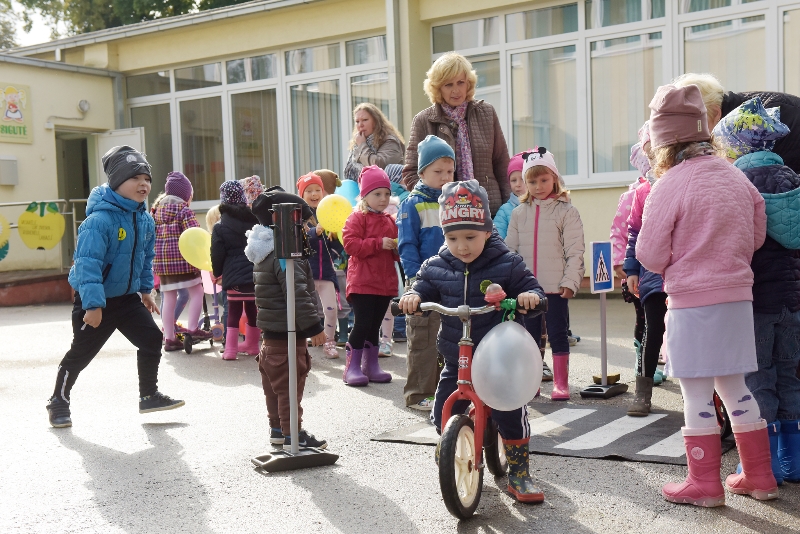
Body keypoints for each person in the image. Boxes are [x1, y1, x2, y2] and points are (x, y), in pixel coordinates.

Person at [636, 84, 776, 506]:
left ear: (663, 142)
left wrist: (679, 259)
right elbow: (757, 235)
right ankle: (760, 476)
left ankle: (704, 483)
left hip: (692, 301)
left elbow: (649, 253)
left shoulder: (670, 184)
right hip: (737, 297)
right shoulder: (736, 176)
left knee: (696, 392)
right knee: (736, 387)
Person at [398, 179, 546, 502]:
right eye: (452, 238)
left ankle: (519, 472)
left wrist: (529, 297)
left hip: (498, 360)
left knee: (510, 412)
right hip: (458, 358)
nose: (462, 246)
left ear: (488, 231)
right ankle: (452, 443)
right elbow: (422, 286)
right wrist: (413, 297)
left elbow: (530, 286)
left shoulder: (506, 263)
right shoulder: (437, 265)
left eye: (470, 237)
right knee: (443, 408)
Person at [46, 145, 184, 428]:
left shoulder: (144, 219)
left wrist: (145, 291)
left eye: (147, 179)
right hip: (96, 301)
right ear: (116, 182)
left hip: (127, 299)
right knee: (81, 354)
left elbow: (145, 258)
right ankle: (58, 400)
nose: (143, 184)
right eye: (135, 178)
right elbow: (87, 265)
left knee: (151, 339)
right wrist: (93, 305)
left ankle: (149, 396)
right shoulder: (98, 221)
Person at [713, 96, 800, 484]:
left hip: (757, 301)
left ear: (737, 147)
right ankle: (793, 461)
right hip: (792, 301)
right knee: (789, 375)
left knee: (758, 377)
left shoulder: (738, 185)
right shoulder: (793, 178)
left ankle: (764, 465)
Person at [246, 189, 327, 449]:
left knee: (275, 389)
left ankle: (278, 430)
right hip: (287, 335)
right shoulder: (285, 258)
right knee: (290, 388)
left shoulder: (265, 252)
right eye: (301, 224)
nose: (305, 230)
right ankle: (294, 435)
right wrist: (314, 327)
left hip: (271, 337)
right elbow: (296, 294)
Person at [505, 148, 585, 401]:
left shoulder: (567, 212)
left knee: (558, 334)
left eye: (543, 180)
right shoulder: (519, 213)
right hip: (526, 290)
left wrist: (570, 281)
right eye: (532, 181)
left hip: (555, 287)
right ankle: (532, 382)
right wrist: (509, 283)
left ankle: (561, 383)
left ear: (554, 179)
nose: (538, 186)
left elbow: (575, 250)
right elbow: (509, 251)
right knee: (529, 338)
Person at [402, 52, 510, 216]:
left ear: (469, 83)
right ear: (438, 88)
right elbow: (411, 172)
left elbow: (502, 163)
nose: (456, 90)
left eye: (461, 82)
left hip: (489, 210)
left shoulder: (487, 113)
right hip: (444, 214)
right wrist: (434, 201)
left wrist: (508, 208)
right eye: (448, 85)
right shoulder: (423, 120)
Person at [397, 135, 454, 410]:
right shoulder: (412, 203)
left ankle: (444, 391)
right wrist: (414, 281)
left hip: (451, 280)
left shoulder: (454, 202)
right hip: (423, 282)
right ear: (421, 173)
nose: (445, 177)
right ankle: (418, 394)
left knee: (448, 337)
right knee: (423, 339)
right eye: (437, 171)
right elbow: (407, 245)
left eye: (449, 171)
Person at [624, 122, 669, 416]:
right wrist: (632, 270)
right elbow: (634, 233)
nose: (655, 158)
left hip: (682, 274)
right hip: (652, 274)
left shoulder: (682, 182)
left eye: (659, 151)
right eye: (650, 154)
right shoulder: (642, 192)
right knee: (653, 329)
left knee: (685, 331)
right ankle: (643, 391)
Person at [498, 151, 553, 382]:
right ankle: (520, 364)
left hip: (543, 275)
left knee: (542, 323)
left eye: (522, 179)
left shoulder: (550, 208)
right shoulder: (506, 211)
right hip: (517, 276)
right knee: (518, 321)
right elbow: (501, 242)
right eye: (513, 180)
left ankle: (540, 362)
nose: (518, 184)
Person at [341, 166, 398, 386]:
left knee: (374, 326)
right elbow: (350, 244)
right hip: (362, 282)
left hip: (384, 282)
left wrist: (397, 248)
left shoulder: (390, 220)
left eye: (387, 194)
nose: (383, 198)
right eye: (377, 194)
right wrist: (378, 243)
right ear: (365, 195)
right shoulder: (357, 217)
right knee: (362, 324)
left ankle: (370, 365)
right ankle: (351, 367)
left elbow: (396, 252)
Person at [152, 171, 210, 352]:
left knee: (169, 298)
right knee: (197, 292)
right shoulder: (184, 211)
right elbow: (195, 235)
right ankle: (193, 329)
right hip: (184, 263)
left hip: (163, 265)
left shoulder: (155, 212)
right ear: (185, 195)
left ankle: (169, 338)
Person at [610, 142, 647, 382]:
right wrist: (618, 261)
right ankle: (641, 359)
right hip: (637, 271)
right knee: (643, 317)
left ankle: (662, 357)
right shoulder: (631, 197)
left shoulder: (669, 188)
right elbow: (618, 232)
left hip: (664, 270)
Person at [211, 180, 260, 360]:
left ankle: (230, 350)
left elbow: (217, 253)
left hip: (233, 276)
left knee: (233, 311)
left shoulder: (220, 226)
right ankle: (253, 346)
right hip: (255, 274)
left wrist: (217, 272)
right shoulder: (255, 220)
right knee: (253, 309)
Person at [297, 172, 344, 359]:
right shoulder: (298, 217)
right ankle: (301, 345)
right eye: (309, 191)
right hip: (306, 274)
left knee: (331, 309)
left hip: (326, 273)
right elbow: (298, 242)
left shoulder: (328, 213)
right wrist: (313, 233)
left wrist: (335, 242)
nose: (314, 194)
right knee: (305, 312)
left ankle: (329, 342)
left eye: (318, 189)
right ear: (302, 195)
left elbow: (337, 245)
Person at [343, 102, 405, 183]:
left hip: (388, 188)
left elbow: (377, 167)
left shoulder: (390, 141)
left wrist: (362, 145)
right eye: (357, 121)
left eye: (365, 120)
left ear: (376, 121)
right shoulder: (357, 143)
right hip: (361, 188)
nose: (360, 125)